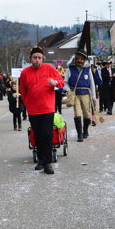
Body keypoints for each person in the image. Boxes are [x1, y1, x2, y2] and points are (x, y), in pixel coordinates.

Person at [19, 46, 64, 174]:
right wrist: (27, 105)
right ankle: (40, 160)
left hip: (47, 108)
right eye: (35, 58)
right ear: (30, 59)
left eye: (39, 58)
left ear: (43, 59)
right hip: (33, 110)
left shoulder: (49, 68)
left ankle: (48, 163)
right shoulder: (25, 72)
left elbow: (61, 82)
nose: (37, 60)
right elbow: (23, 91)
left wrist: (55, 82)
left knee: (46, 135)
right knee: (37, 136)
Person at [65, 51, 101, 142]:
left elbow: (92, 83)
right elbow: (65, 83)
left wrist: (94, 96)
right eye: (78, 59)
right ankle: (79, 134)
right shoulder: (69, 69)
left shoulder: (87, 69)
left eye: (82, 59)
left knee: (86, 114)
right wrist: (69, 90)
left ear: (84, 60)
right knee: (77, 113)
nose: (80, 61)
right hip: (75, 94)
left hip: (86, 94)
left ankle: (85, 131)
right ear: (75, 60)